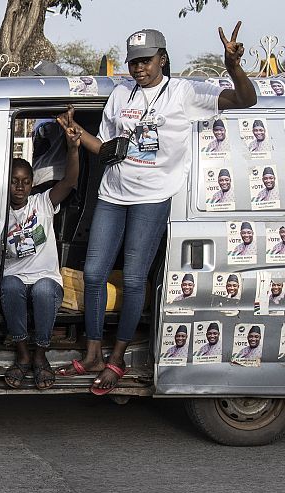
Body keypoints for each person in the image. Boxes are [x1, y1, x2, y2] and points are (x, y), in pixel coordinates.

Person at [56, 23, 256, 395]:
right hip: (112, 195)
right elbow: (105, 149)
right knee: (95, 273)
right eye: (133, 62)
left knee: (133, 279)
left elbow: (245, 101)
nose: (139, 69)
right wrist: (76, 135)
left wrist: (233, 66)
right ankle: (95, 351)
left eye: (146, 61)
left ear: (162, 58)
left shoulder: (184, 92)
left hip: (152, 198)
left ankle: (118, 357)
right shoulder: (120, 95)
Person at [1, 110, 81, 390]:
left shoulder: (43, 203)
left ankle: (40, 354)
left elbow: (70, 181)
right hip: (15, 279)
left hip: (46, 279)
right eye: (14, 180)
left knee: (44, 289)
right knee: (10, 286)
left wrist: (73, 148)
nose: (20, 186)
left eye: (25, 181)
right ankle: (23, 354)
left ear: (32, 184)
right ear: (5, 182)